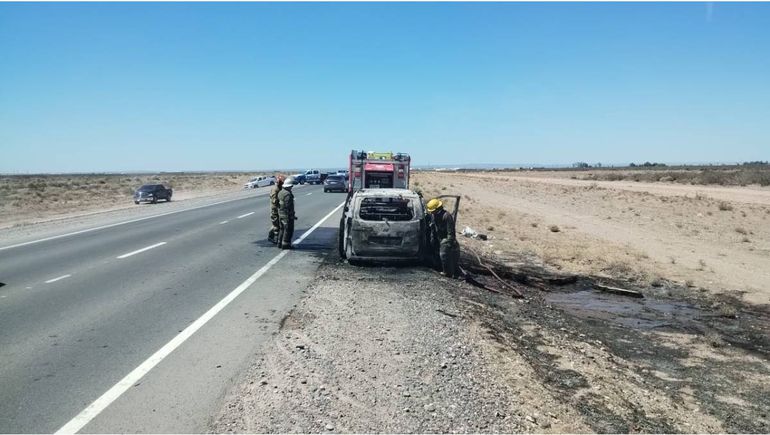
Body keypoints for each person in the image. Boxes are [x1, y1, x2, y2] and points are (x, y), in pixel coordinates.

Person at [426, 198, 460, 278]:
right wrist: (433, 239)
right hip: (439, 238)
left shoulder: (446, 216)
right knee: (440, 255)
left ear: (437, 209)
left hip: (446, 240)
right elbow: (434, 228)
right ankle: (444, 269)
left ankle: (447, 273)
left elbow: (450, 232)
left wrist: (449, 242)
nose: (431, 212)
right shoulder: (434, 216)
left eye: (432, 211)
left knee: (444, 255)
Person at [277, 176, 297, 249]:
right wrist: (291, 215)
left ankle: (279, 243)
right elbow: (288, 206)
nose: (291, 187)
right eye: (291, 186)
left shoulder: (280, 192)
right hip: (286, 215)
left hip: (280, 214)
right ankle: (286, 244)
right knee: (288, 229)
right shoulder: (288, 194)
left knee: (282, 229)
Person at [268, 175, 285, 244]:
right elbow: (274, 200)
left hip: (278, 208)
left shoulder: (280, 188)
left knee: (277, 224)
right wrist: (281, 203)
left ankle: (272, 237)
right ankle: (275, 238)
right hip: (275, 209)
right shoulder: (275, 189)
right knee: (276, 224)